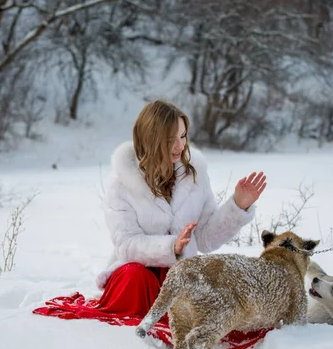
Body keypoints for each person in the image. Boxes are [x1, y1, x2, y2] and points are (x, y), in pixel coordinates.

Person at [94, 100, 267, 320]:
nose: (179, 145)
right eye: (170, 139)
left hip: (177, 274)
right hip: (134, 276)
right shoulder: (121, 182)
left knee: (186, 280)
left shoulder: (195, 176)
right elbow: (126, 244)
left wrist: (238, 206)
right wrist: (171, 248)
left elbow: (205, 239)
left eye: (183, 136)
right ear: (150, 138)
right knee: (137, 277)